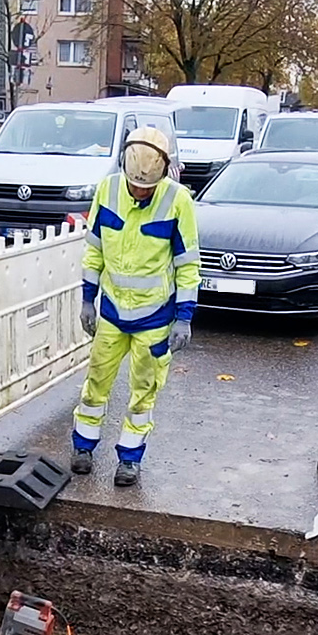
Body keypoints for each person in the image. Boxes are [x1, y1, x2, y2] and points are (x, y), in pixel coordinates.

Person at [71, 127, 199, 487]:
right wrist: (87, 298)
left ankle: (129, 459)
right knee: (96, 382)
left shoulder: (177, 201)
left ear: (163, 173)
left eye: (147, 187)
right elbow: (94, 247)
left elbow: (188, 263)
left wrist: (183, 318)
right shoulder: (108, 190)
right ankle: (83, 447)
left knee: (143, 392)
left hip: (154, 318)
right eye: (136, 185)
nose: (140, 191)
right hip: (112, 312)